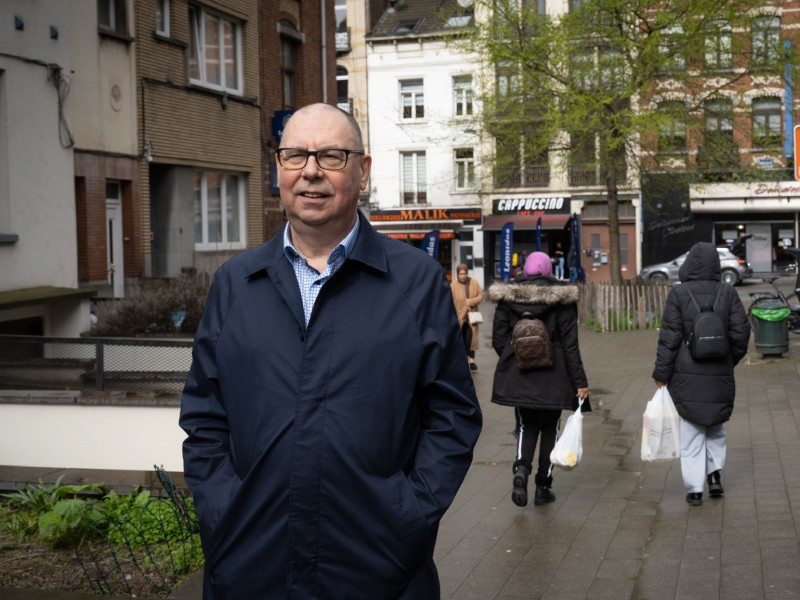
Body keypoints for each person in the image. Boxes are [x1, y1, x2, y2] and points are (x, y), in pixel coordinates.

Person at [179, 103, 482, 598]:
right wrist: (222, 514)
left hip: (377, 573)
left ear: (362, 171)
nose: (311, 172)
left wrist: (408, 516)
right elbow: (205, 415)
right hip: (250, 570)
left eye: (332, 156)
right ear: (279, 169)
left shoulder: (415, 283)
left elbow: (453, 417)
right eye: (295, 156)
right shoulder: (235, 283)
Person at [652, 242, 750, 507]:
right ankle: (715, 477)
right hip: (719, 371)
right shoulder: (728, 292)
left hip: (686, 372)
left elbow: (670, 337)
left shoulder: (679, 294)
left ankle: (695, 490)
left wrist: (662, 372)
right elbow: (741, 333)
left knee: (692, 430)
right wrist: (729, 360)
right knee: (716, 428)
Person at [489, 251, 589, 507]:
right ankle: (543, 486)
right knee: (550, 428)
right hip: (554, 376)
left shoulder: (508, 297)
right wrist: (580, 382)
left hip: (521, 375)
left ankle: (521, 470)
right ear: (547, 269)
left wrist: (516, 358)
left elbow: (499, 339)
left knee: (525, 425)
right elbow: (570, 346)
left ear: (525, 270)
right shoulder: (562, 298)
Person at [450, 263, 484, 371]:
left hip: (472, 315)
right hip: (459, 316)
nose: (463, 276)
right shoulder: (453, 285)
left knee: (471, 338)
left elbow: (481, 296)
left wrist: (471, 301)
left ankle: (472, 360)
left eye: (464, 273)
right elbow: (449, 300)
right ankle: (462, 359)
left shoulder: (474, 283)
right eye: (460, 274)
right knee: (461, 338)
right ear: (457, 274)